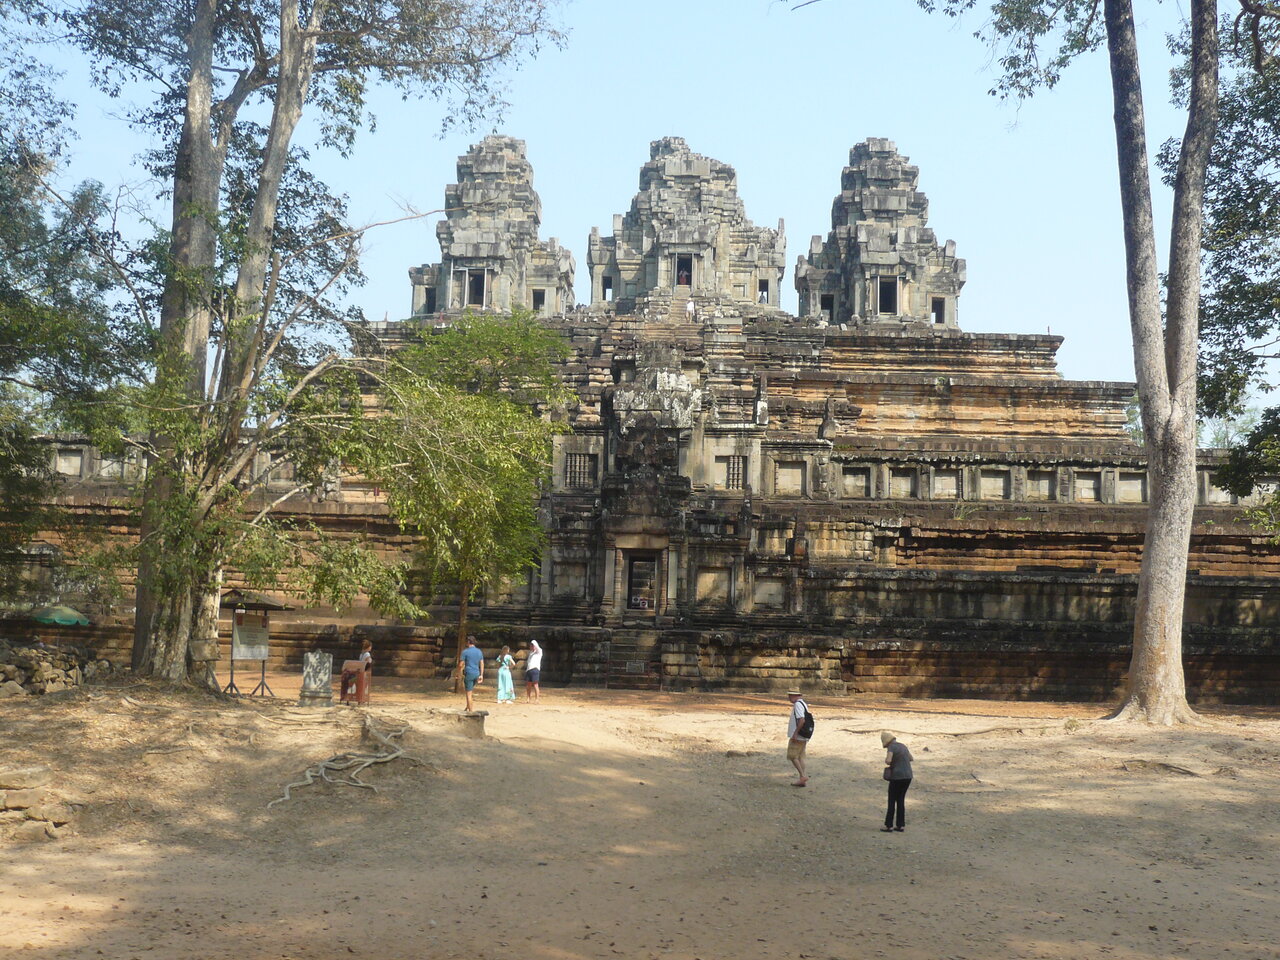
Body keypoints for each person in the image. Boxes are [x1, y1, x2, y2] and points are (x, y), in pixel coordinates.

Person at [880, 731, 914, 832]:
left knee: (892, 800)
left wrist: (888, 761)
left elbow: (888, 760)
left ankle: (889, 825)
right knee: (900, 800)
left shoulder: (891, 747)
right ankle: (900, 825)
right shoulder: (903, 746)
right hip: (908, 776)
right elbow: (911, 758)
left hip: (897, 777)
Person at [785, 690, 811, 787]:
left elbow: (801, 720)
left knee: (793, 756)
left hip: (798, 735)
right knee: (800, 756)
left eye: (790, 695)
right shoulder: (803, 704)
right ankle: (802, 778)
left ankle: (802, 776)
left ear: (794, 695)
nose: (789, 697)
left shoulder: (797, 705)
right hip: (804, 735)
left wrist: (795, 733)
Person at [459, 635, 484, 712]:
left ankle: (471, 712)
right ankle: (467, 707)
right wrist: (481, 675)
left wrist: (458, 672)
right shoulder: (479, 651)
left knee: (469, 694)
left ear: (468, 642)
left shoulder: (465, 652)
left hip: (469, 673)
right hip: (477, 673)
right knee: (470, 690)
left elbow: (461, 664)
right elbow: (482, 663)